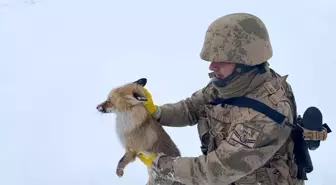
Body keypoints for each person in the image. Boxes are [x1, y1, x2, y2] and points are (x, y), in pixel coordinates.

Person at [141, 13, 305, 185]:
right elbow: (191, 108)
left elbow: (215, 170)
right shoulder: (231, 83)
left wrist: (161, 163)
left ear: (245, 62)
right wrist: (157, 112)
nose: (212, 66)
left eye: (221, 60)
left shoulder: (265, 114)